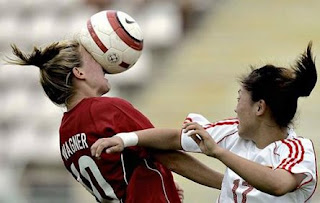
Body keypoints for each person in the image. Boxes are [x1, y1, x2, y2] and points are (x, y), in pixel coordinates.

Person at [91, 43, 318, 202]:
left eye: (240, 99)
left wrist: (218, 153)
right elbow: (173, 139)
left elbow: (278, 185)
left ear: (259, 107)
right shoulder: (232, 133)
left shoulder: (298, 151)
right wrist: (125, 138)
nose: (236, 108)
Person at [7, 40, 224, 203]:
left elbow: (120, 176)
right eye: (93, 58)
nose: (102, 62)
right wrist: (230, 183)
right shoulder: (105, 109)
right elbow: (169, 155)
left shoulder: (65, 133)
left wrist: (160, 182)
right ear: (79, 72)